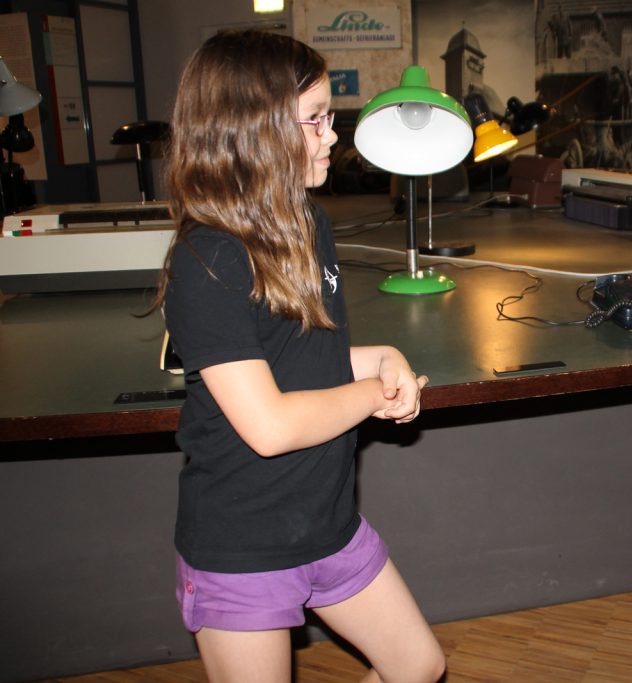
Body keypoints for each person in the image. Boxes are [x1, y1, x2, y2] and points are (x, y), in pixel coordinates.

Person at [150, 30, 446, 683]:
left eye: (328, 118)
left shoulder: (309, 223)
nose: (331, 137)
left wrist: (380, 360)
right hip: (242, 542)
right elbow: (271, 423)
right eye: (313, 121)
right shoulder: (210, 259)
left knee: (418, 665)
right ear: (249, 131)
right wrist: (374, 396)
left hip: (328, 521)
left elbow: (307, 361)